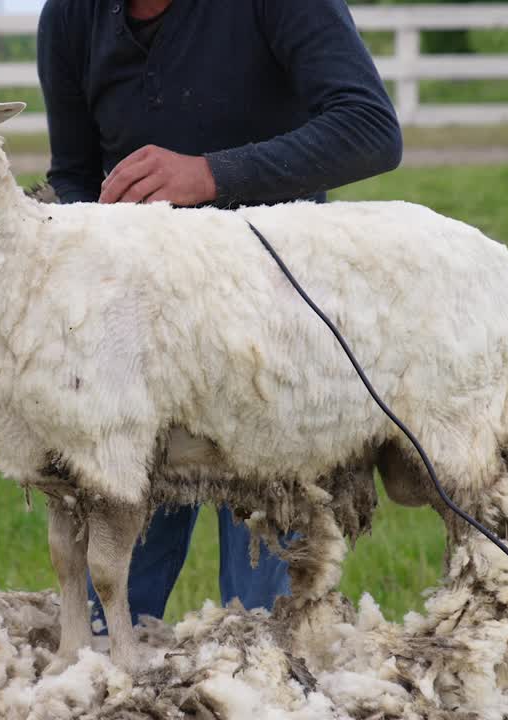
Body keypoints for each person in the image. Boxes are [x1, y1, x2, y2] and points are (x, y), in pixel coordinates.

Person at [36, 0, 403, 622]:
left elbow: (371, 129)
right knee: (118, 584)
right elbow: (73, 174)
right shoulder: (72, 15)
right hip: (141, 331)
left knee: (259, 606)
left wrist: (212, 174)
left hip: (271, 320)